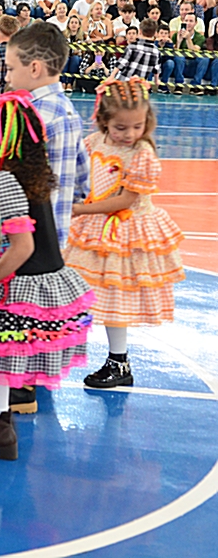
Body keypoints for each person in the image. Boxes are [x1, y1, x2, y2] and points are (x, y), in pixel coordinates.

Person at [0, 92, 93, 458]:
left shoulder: (5, 181)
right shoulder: (32, 174)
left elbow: (21, 247)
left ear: (0, 146)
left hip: (19, 284)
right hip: (44, 277)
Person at [64, 78, 184, 388]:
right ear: (103, 121)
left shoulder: (142, 153)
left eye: (137, 127)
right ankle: (56, 351)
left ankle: (119, 362)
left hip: (126, 232)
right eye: (120, 128)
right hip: (92, 229)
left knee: (115, 297)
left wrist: (79, 210)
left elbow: (127, 200)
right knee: (73, 291)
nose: (129, 134)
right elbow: (80, 177)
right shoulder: (93, 143)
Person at [6, 23, 90, 252]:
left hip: (22, 240)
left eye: (11, 69)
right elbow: (83, 179)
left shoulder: (31, 115)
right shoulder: (69, 111)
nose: (7, 77)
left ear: (34, 68)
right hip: (55, 239)